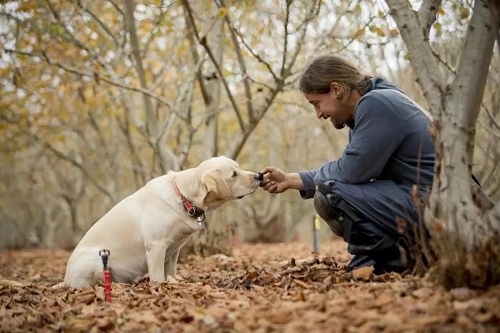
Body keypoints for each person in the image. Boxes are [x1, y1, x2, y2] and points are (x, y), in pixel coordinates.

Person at [260, 54, 435, 274]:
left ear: (336, 89)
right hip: (426, 202)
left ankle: (378, 263)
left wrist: (305, 181)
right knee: (334, 187)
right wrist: (289, 179)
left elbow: (350, 172)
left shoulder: (376, 104)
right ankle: (394, 260)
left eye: (317, 104)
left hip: (433, 208)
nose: (319, 114)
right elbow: (352, 169)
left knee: (332, 194)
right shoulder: (374, 103)